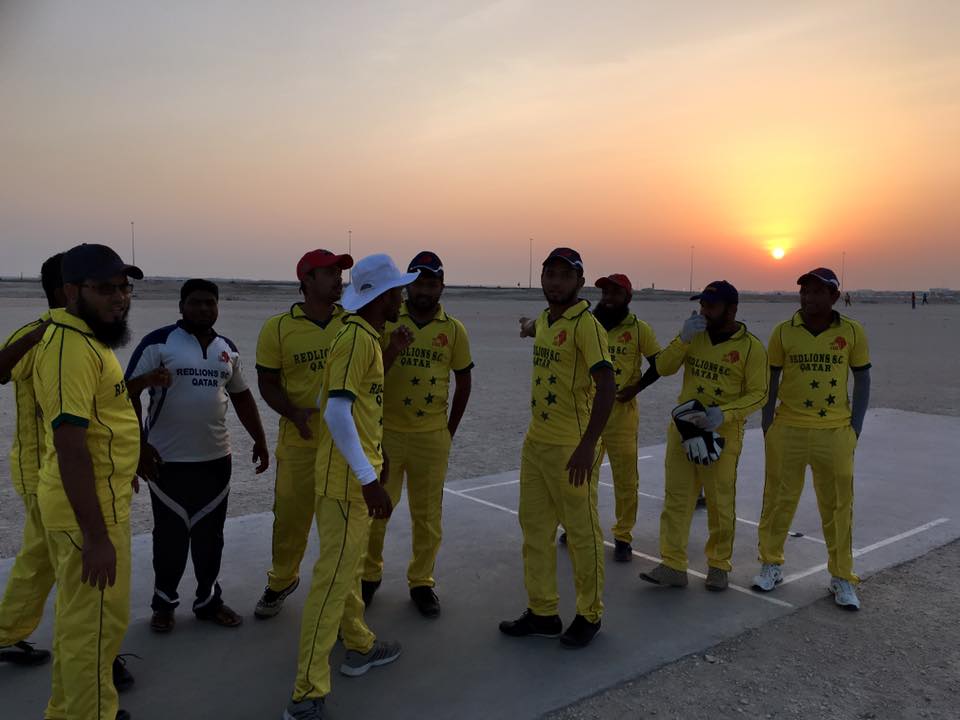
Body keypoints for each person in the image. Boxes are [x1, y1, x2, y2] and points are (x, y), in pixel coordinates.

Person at [284, 253, 417, 720]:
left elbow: (337, 400)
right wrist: (366, 478)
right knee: (331, 583)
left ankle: (359, 643)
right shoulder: (357, 338)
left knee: (346, 568)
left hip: (350, 478)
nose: (402, 298)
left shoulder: (361, 336)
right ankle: (306, 694)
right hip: (346, 485)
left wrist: (373, 456)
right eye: (398, 291)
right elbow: (336, 411)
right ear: (382, 296)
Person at [0, 253, 139, 694]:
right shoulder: (48, 336)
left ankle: (13, 634)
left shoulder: (83, 337)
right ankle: (94, 669)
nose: (118, 296)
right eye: (104, 287)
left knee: (40, 562)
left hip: (63, 472)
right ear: (68, 290)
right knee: (75, 581)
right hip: (47, 469)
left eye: (122, 287)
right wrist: (35, 337)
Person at [126, 279, 269, 632]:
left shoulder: (227, 349)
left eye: (210, 303)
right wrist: (139, 446)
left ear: (218, 307)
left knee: (211, 537)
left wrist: (260, 439)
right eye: (195, 302)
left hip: (216, 459)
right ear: (181, 306)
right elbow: (125, 393)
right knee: (169, 537)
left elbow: (241, 396)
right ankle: (164, 604)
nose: (204, 308)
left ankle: (208, 601)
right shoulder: (158, 343)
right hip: (167, 460)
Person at [500, 247, 614, 649]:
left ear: (580, 282)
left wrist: (588, 444)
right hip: (536, 444)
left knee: (582, 533)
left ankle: (589, 614)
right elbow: (540, 327)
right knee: (534, 530)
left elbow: (607, 386)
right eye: (550, 274)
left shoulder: (587, 326)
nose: (555, 282)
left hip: (571, 447)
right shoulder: (548, 319)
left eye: (565, 276)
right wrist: (527, 326)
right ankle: (543, 612)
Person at [361, 251, 473, 617]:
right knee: (378, 511)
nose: (424, 290)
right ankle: (369, 576)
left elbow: (464, 381)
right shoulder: (389, 322)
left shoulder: (453, 329)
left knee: (427, 516)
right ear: (407, 285)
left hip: (431, 438)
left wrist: (448, 431)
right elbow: (369, 374)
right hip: (388, 435)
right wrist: (393, 349)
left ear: (442, 287)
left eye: (431, 283)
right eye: (418, 283)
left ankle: (422, 582)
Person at [753, 268, 871, 610]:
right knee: (778, 500)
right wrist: (768, 425)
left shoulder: (851, 331)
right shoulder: (783, 331)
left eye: (818, 291)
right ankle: (771, 564)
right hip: (787, 429)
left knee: (838, 505)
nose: (809, 297)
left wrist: (855, 428)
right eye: (805, 290)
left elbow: (862, 380)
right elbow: (770, 381)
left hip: (835, 432)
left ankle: (841, 576)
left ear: (834, 296)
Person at [639, 281, 767, 591]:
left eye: (711, 306)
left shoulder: (751, 348)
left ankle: (719, 566)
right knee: (677, 498)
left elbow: (759, 393)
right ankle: (673, 565)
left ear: (731, 309)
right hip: (684, 429)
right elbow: (664, 367)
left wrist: (725, 413)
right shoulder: (693, 335)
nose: (704, 311)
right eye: (702, 305)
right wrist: (682, 339)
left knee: (720, 501)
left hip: (722, 433)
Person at [253, 249, 354, 619]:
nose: (339, 279)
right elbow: (266, 382)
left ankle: (344, 594)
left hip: (345, 447)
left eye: (340, 273)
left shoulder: (352, 323)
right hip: (299, 444)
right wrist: (293, 412)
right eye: (330, 273)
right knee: (290, 521)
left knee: (341, 526)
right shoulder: (278, 328)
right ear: (307, 280)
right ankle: (282, 580)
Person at [591, 273, 661, 562]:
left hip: (622, 416)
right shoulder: (588, 324)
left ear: (627, 298)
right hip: (587, 413)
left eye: (615, 293)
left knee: (626, 480)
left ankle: (623, 536)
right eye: (605, 293)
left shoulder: (639, 329)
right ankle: (580, 525)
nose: (608, 298)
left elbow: (658, 364)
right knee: (582, 476)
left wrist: (637, 387)